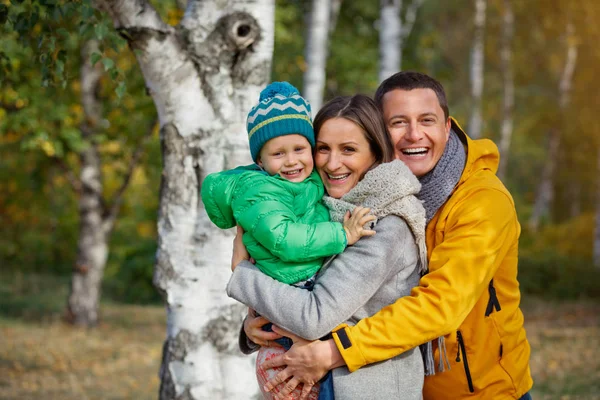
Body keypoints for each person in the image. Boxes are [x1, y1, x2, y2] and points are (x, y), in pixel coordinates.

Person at [235, 72, 533, 400]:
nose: (413, 134)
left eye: (427, 120)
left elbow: (439, 305)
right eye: (399, 122)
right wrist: (258, 326)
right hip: (411, 382)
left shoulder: (478, 202)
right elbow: (306, 281)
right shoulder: (343, 200)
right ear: (379, 130)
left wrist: (334, 352)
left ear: (446, 127)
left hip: (480, 389)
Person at [228, 94, 429, 399]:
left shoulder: (387, 224)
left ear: (375, 153)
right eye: (323, 149)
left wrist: (241, 274)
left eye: (348, 150)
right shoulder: (322, 211)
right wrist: (254, 326)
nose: (333, 164)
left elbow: (314, 316)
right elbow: (292, 285)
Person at [201, 82, 375, 399]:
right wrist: (342, 235)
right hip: (293, 291)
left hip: (304, 308)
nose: (292, 161)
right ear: (260, 161)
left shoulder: (312, 185)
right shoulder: (262, 192)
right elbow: (286, 240)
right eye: (278, 154)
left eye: (300, 149)